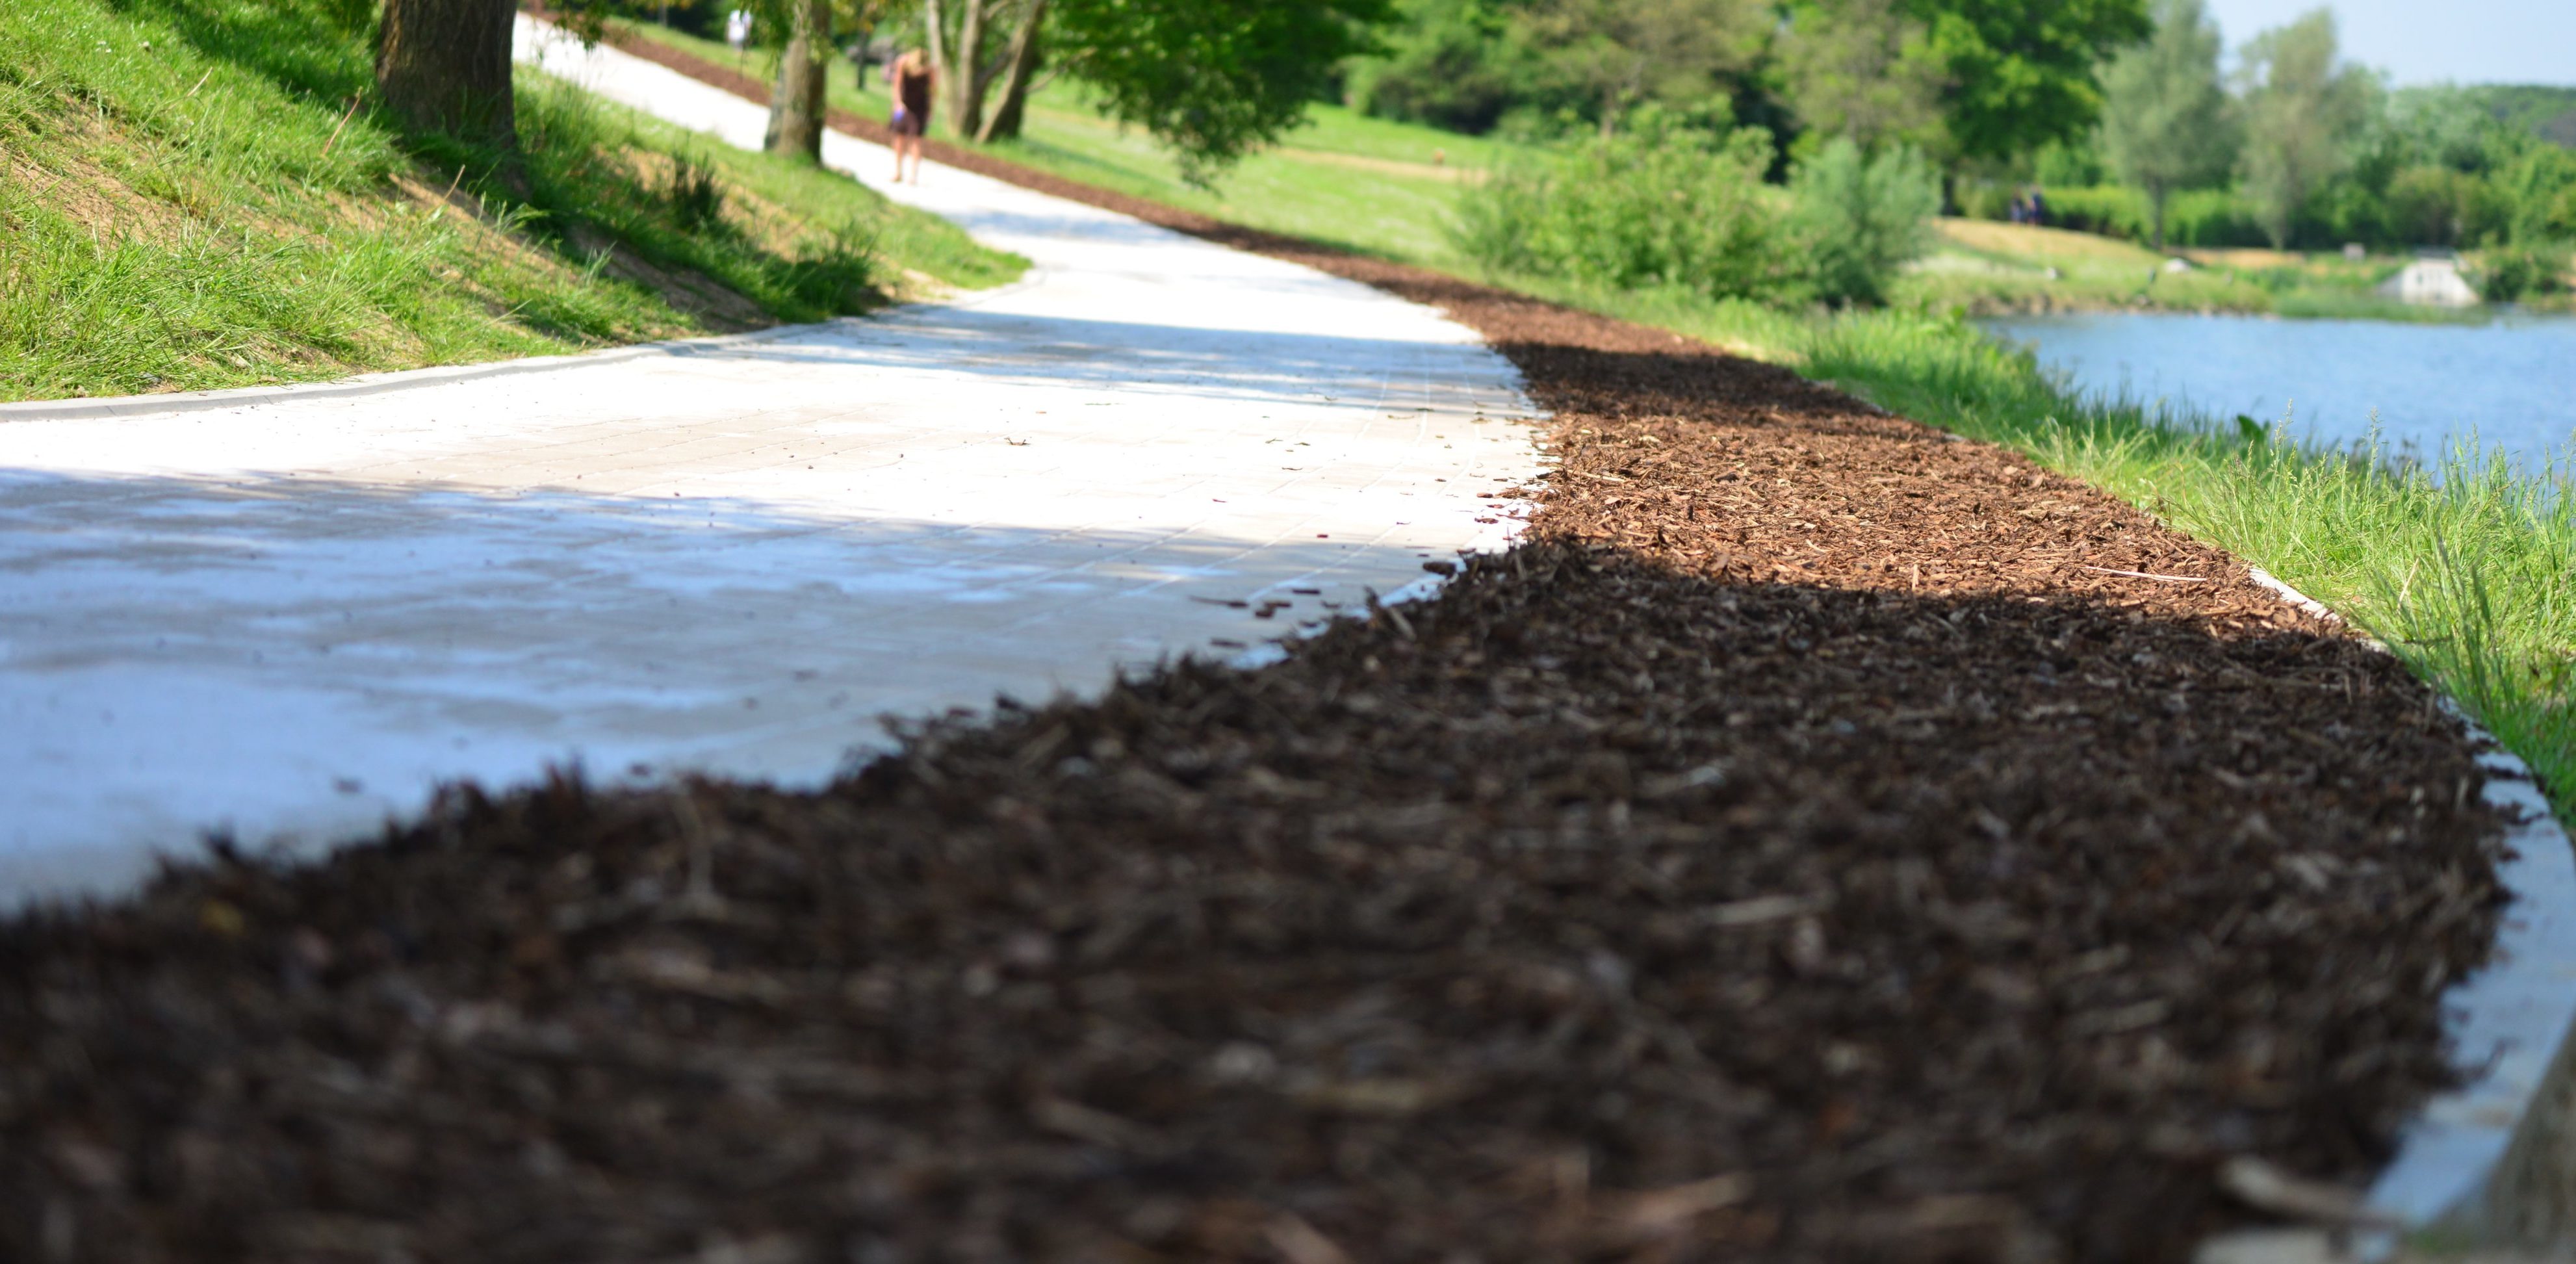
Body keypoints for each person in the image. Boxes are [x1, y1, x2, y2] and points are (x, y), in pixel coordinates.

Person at [888, 48, 934, 185]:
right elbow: (897, 85)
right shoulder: (903, 63)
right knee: (899, 137)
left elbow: (932, 91)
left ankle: (913, 175)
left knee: (916, 140)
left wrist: (930, 110)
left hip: (920, 108)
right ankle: (898, 171)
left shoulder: (930, 69)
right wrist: (898, 103)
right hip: (904, 106)